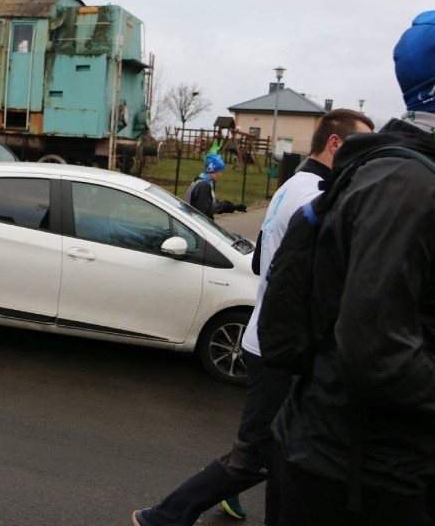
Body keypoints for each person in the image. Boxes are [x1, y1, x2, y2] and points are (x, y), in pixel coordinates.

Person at [131, 108, 374, 526]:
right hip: (281, 345)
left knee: (281, 450)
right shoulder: (317, 195)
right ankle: (164, 517)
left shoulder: (293, 185)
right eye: (363, 146)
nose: (369, 158)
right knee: (258, 454)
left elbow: (262, 259)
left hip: (272, 337)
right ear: (337, 144)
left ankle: (227, 502)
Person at [270, 10, 435, 526]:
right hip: (361, 475)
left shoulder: (400, 177)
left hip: (366, 463)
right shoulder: (406, 186)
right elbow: (375, 348)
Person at [183, 153, 246, 221]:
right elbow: (205, 210)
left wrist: (233, 207)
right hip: (199, 224)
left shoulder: (203, 182)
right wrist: (224, 206)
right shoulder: (203, 186)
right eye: (219, 171)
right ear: (212, 170)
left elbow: (211, 204)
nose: (221, 175)